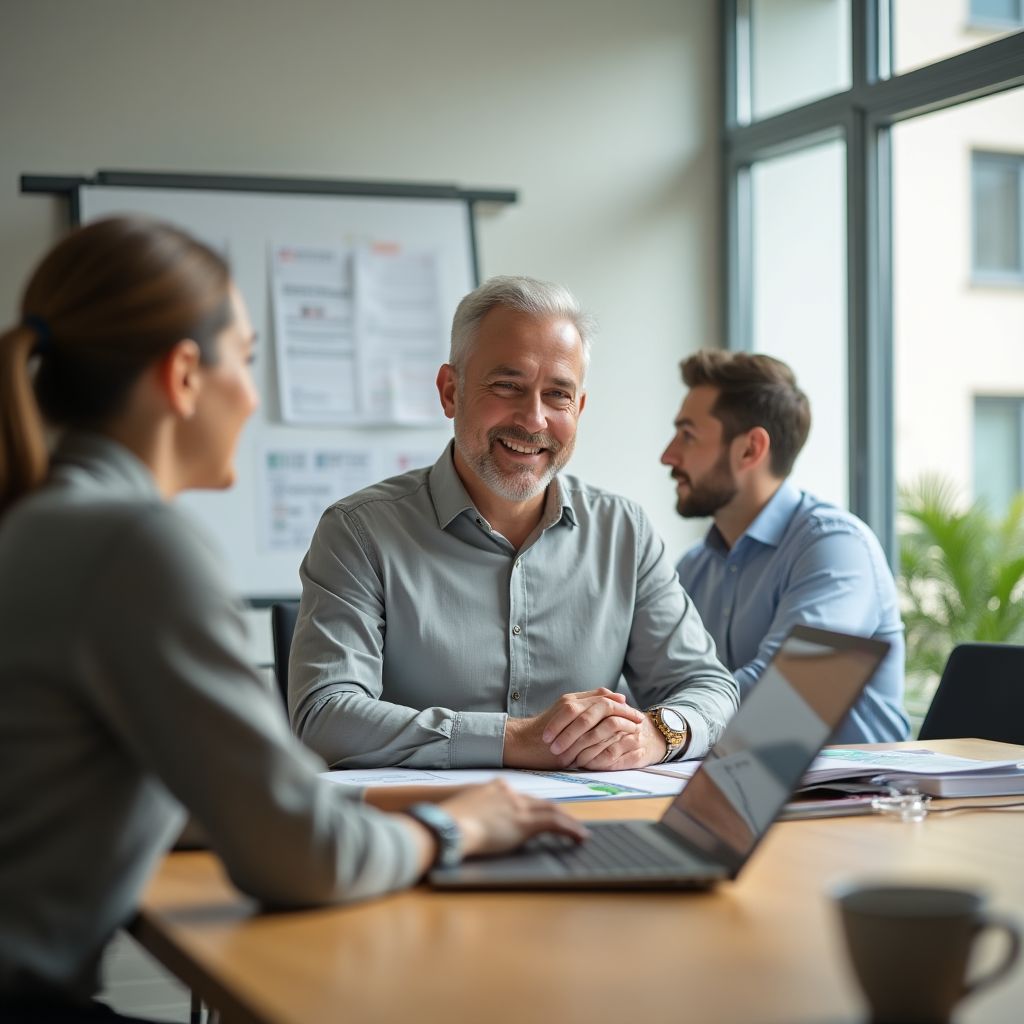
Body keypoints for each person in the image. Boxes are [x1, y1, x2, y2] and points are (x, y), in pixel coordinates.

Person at [0, 218, 587, 1022]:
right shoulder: (135, 546)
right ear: (182, 376)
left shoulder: (46, 522)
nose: (253, 394)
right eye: (245, 361)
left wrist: (381, 812)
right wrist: (456, 834)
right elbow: (298, 861)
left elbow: (209, 806)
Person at [289, 276, 739, 772]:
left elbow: (710, 687)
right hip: (427, 832)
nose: (533, 420)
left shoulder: (623, 531)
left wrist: (656, 734)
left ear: (580, 409)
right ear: (450, 391)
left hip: (591, 825)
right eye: (508, 386)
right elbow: (324, 717)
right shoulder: (359, 532)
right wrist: (514, 739)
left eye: (558, 396)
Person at [660, 349, 909, 744]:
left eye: (687, 435)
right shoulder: (693, 567)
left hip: (852, 798)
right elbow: (657, 685)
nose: (667, 455)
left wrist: (664, 728)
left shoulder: (836, 548)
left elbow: (785, 693)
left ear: (750, 449)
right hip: (734, 788)